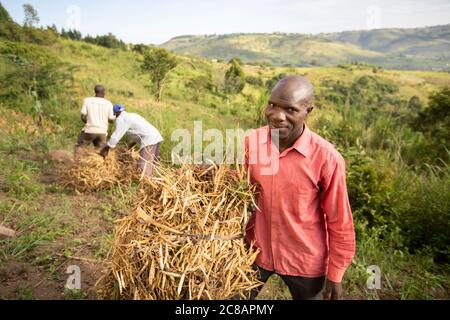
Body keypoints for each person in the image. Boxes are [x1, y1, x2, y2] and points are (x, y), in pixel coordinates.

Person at [244, 75, 355, 300]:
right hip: (255, 251)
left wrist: (336, 274)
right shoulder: (251, 142)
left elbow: (339, 221)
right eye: (272, 105)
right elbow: (239, 184)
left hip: (305, 259)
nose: (276, 116)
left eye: (290, 110)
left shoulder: (327, 158)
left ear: (308, 111)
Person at [100, 104, 163, 177]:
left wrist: (106, 148)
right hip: (156, 136)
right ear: (124, 110)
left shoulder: (121, 119)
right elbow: (139, 131)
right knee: (151, 164)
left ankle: (145, 183)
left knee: (143, 167)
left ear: (115, 113)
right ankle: (150, 182)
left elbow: (117, 135)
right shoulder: (132, 115)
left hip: (149, 139)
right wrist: (130, 146)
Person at [77, 85, 115, 150]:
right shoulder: (108, 103)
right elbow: (111, 119)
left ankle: (78, 158)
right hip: (102, 132)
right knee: (100, 153)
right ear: (104, 92)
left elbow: (83, 115)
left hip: (89, 130)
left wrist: (88, 121)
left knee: (80, 148)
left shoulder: (87, 100)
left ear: (95, 91)